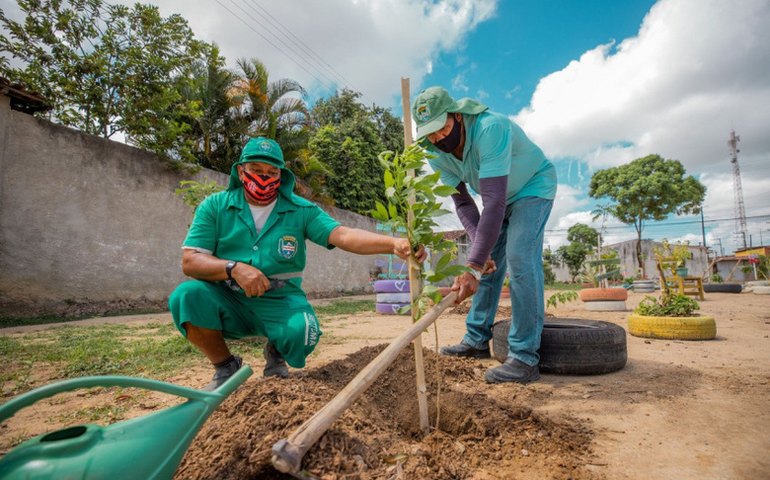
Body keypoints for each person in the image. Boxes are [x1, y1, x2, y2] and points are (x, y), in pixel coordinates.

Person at [169, 137, 425, 390]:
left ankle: (276, 350)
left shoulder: (301, 210)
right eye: (256, 170)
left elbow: (343, 235)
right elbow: (191, 261)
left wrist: (393, 244)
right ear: (241, 170)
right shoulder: (215, 206)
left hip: (280, 298)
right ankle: (226, 366)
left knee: (304, 333)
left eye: (271, 172)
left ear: (281, 175)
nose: (263, 177)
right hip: (227, 297)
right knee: (186, 296)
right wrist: (233, 268)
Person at [411, 86, 557, 384]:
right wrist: (482, 256)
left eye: (443, 128)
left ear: (457, 115)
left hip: (532, 187)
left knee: (519, 258)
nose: (438, 138)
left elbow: (492, 201)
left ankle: (525, 357)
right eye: (430, 133)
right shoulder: (433, 153)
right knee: (488, 264)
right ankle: (476, 339)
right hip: (498, 200)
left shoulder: (491, 128)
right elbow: (463, 202)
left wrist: (474, 264)